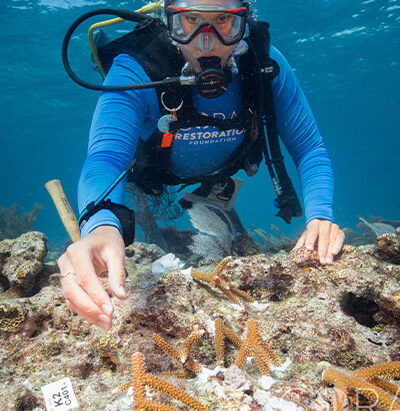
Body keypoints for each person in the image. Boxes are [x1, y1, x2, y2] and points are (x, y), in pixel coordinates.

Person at [57, 0, 345, 330]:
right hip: (151, 176)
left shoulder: (265, 65)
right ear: (168, 21)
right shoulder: (136, 68)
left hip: (219, 176)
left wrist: (321, 214)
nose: (205, 41)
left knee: (229, 253)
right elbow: (105, 158)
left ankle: (206, 200)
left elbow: (309, 149)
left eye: (223, 21)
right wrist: (100, 226)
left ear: (245, 20)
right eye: (191, 20)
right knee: (143, 253)